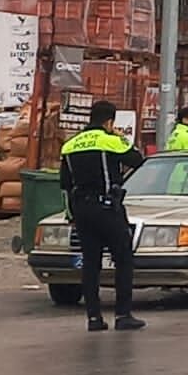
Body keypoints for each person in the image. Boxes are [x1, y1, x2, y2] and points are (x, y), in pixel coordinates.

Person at [60, 101, 147, 332]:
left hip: (81, 210)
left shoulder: (70, 145)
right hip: (107, 208)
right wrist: (121, 138)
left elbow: (65, 185)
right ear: (109, 121)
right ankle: (123, 315)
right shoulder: (110, 140)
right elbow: (137, 159)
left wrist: (71, 214)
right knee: (124, 259)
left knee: (90, 264)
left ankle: (94, 318)